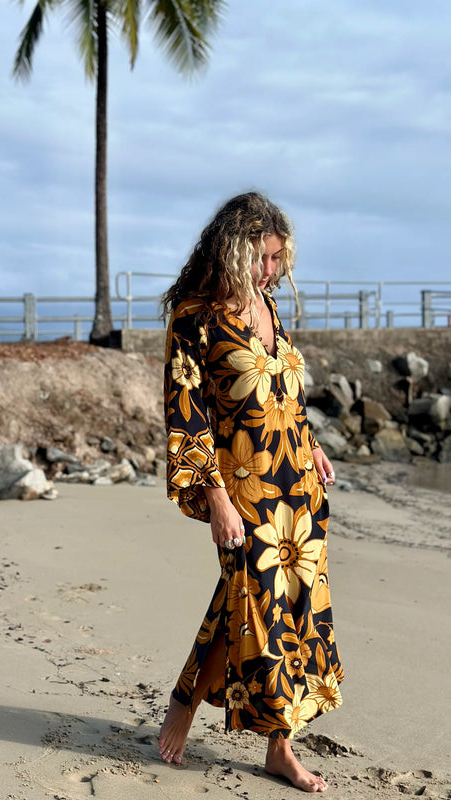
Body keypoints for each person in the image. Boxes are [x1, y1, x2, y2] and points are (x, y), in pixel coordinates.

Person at [158, 192, 344, 793]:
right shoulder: (195, 316)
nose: (274, 272)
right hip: (242, 486)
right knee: (253, 604)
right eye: (265, 260)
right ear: (236, 252)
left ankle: (275, 746)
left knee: (286, 608)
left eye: (279, 262)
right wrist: (212, 496)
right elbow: (185, 412)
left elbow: (286, 393)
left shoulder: (267, 304)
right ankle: (192, 706)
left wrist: (311, 443)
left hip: (299, 487)